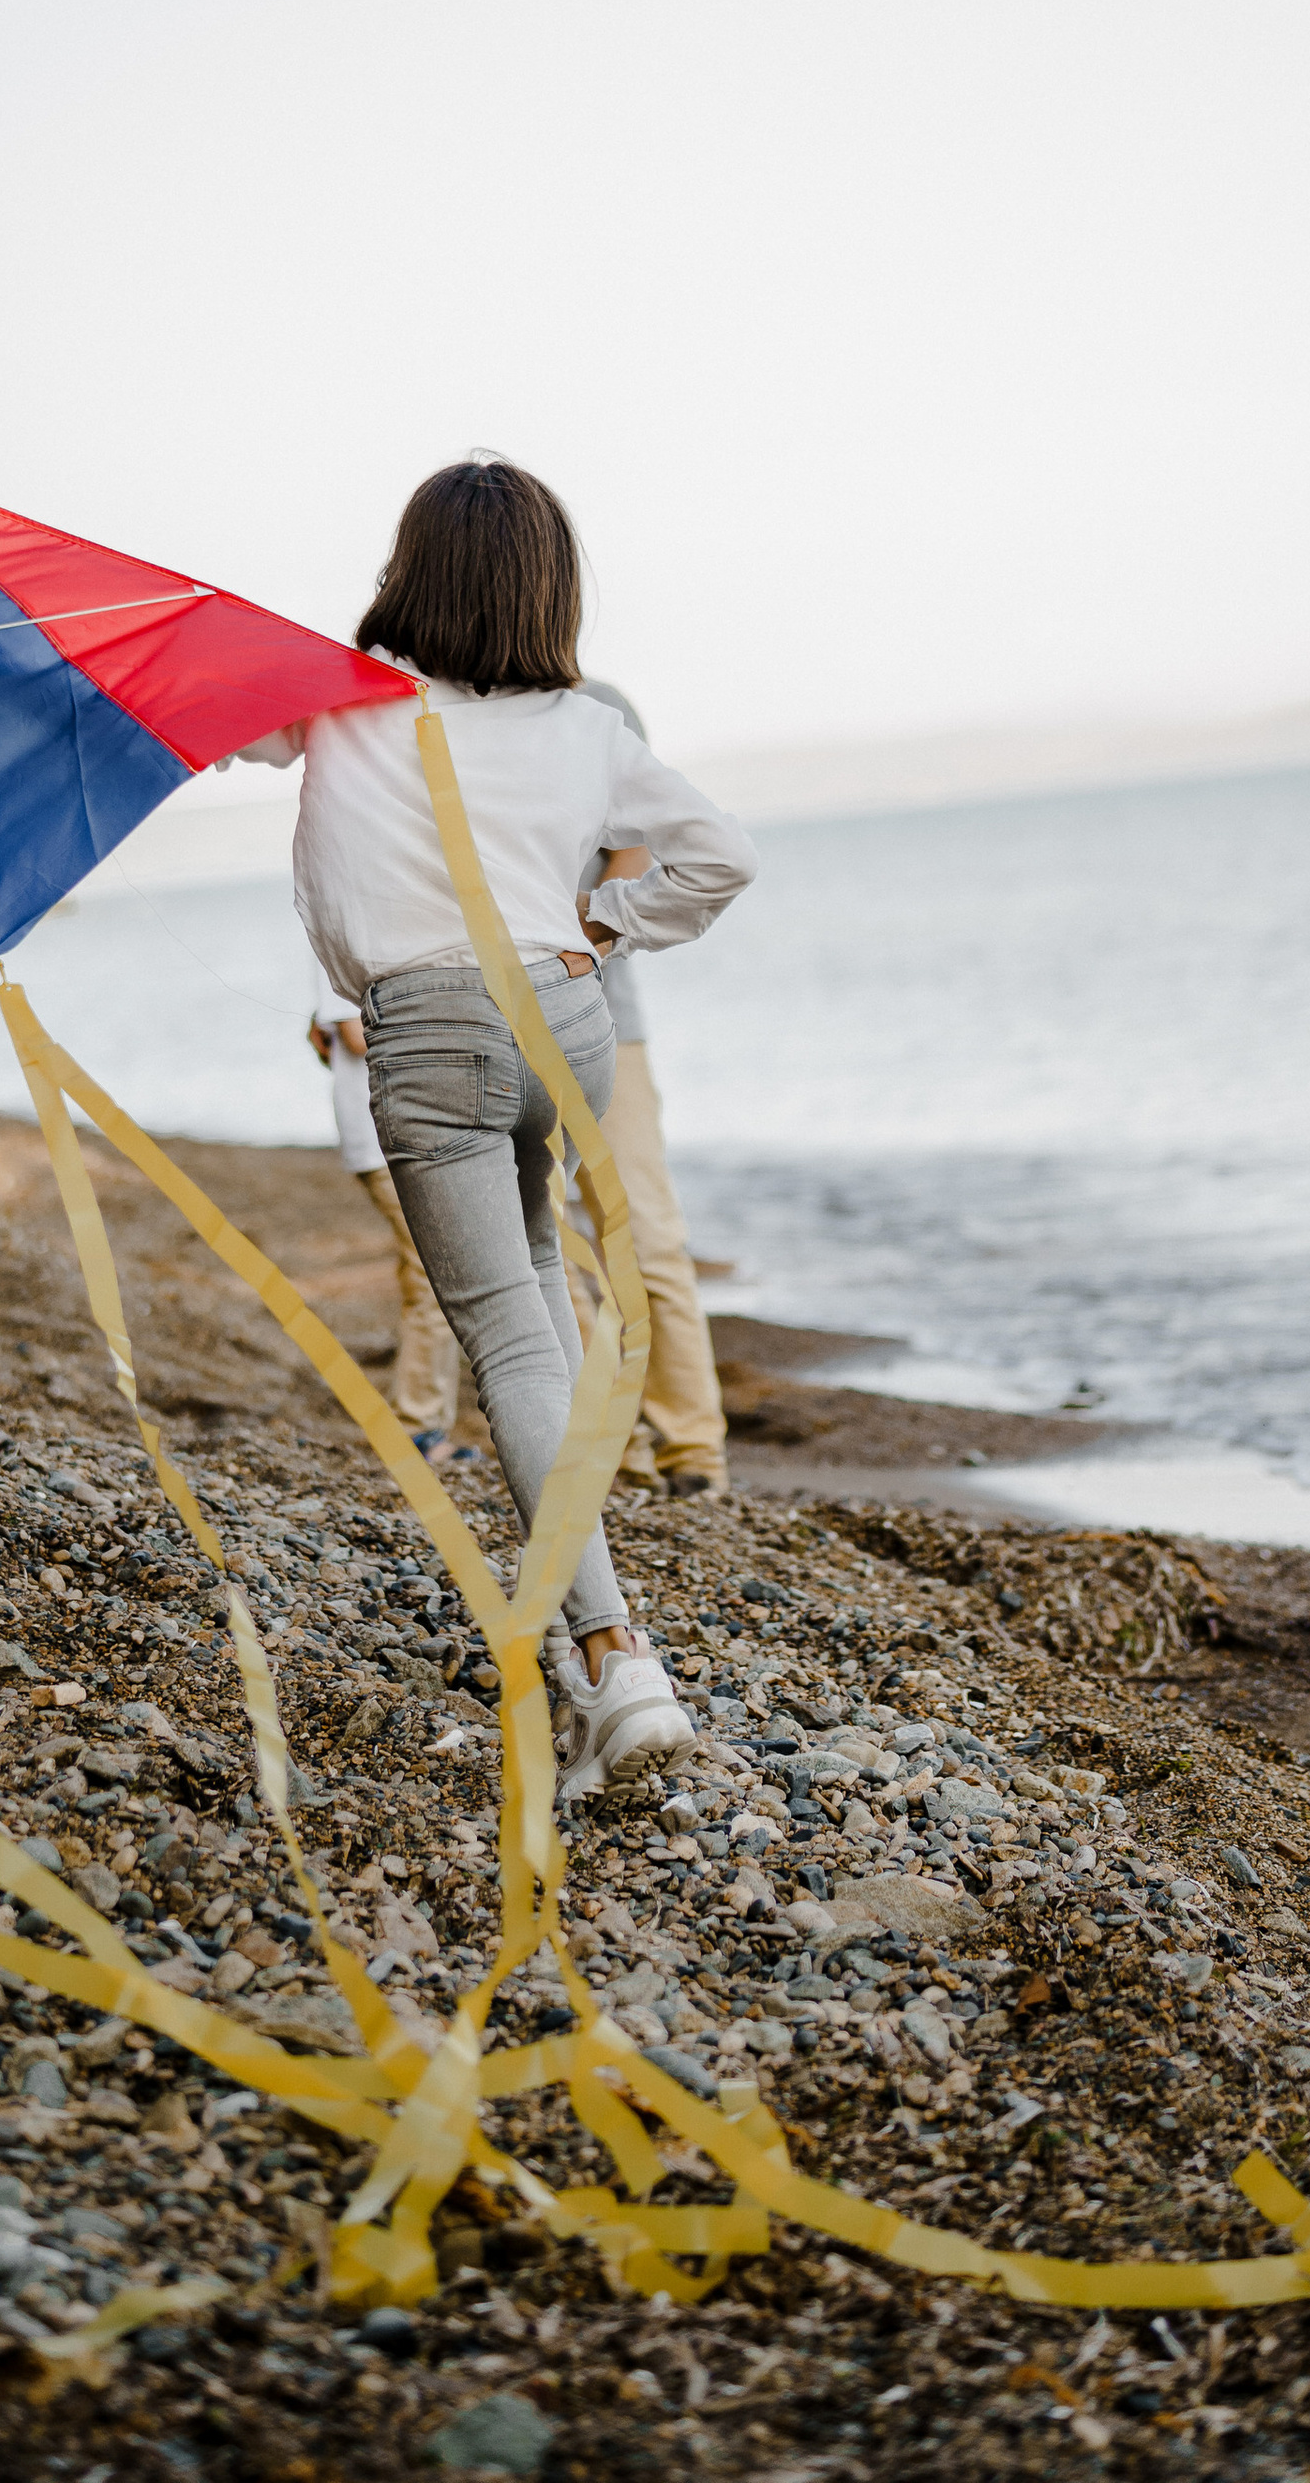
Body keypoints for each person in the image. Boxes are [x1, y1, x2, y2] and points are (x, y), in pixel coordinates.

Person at [239, 460, 757, 1804]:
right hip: (569, 1021)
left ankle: (617, 1659)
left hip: (437, 1029)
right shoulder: (586, 727)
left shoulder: (340, 699)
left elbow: (212, 728)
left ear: (408, 575)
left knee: (510, 1338)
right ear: (549, 587)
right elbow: (719, 856)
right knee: (537, 1277)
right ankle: (594, 1644)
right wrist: (605, 927)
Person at [570, 677, 730, 1502]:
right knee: (550, 1244)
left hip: (601, 1009)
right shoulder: (445, 717)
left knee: (643, 1230)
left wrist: (570, 924)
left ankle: (690, 1446)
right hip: (488, 1012)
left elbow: (638, 855)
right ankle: (612, 1444)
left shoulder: (598, 706)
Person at [308, 990, 467, 1453]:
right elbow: (358, 1037)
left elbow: (329, 1037)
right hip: (387, 1134)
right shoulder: (345, 923)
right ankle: (418, 1428)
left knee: (427, 1272)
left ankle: (420, 1422)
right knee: (435, 1273)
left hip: (394, 1129)